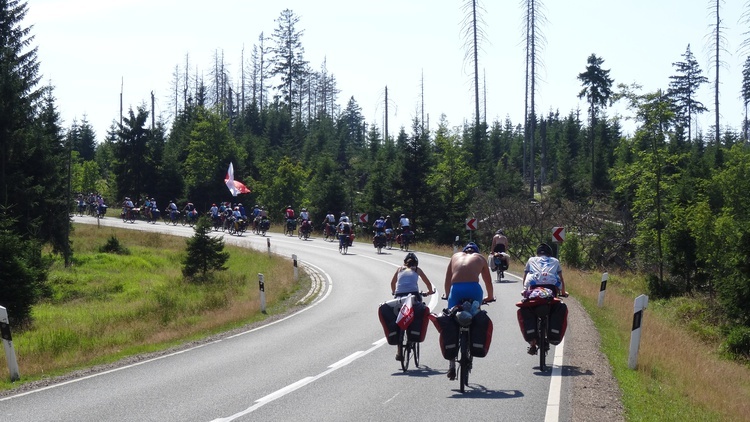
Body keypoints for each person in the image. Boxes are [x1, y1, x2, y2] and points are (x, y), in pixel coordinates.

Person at [442, 242, 494, 380]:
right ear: (476, 251)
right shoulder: (480, 258)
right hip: (473, 289)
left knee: (452, 319)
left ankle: (452, 366)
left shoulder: (455, 256)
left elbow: (448, 280)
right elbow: (488, 281)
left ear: (464, 251)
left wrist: (448, 295)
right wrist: (490, 297)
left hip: (456, 290)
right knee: (475, 315)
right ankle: (472, 342)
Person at [520, 243, 568, 355]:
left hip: (534, 288)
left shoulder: (531, 260)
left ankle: (532, 343)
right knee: (554, 308)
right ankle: (551, 331)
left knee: (531, 310)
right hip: (551, 289)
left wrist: (525, 289)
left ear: (538, 253)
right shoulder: (555, 261)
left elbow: (526, 276)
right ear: (549, 253)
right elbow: (560, 278)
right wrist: (563, 292)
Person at [389, 252, 435, 360]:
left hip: (399, 297)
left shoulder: (399, 269)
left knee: (399, 319)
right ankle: (413, 334)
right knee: (417, 314)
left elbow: (392, 283)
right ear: (416, 263)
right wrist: (429, 291)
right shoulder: (417, 270)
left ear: (404, 262)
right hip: (413, 296)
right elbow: (428, 283)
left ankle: (399, 352)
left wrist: (394, 292)